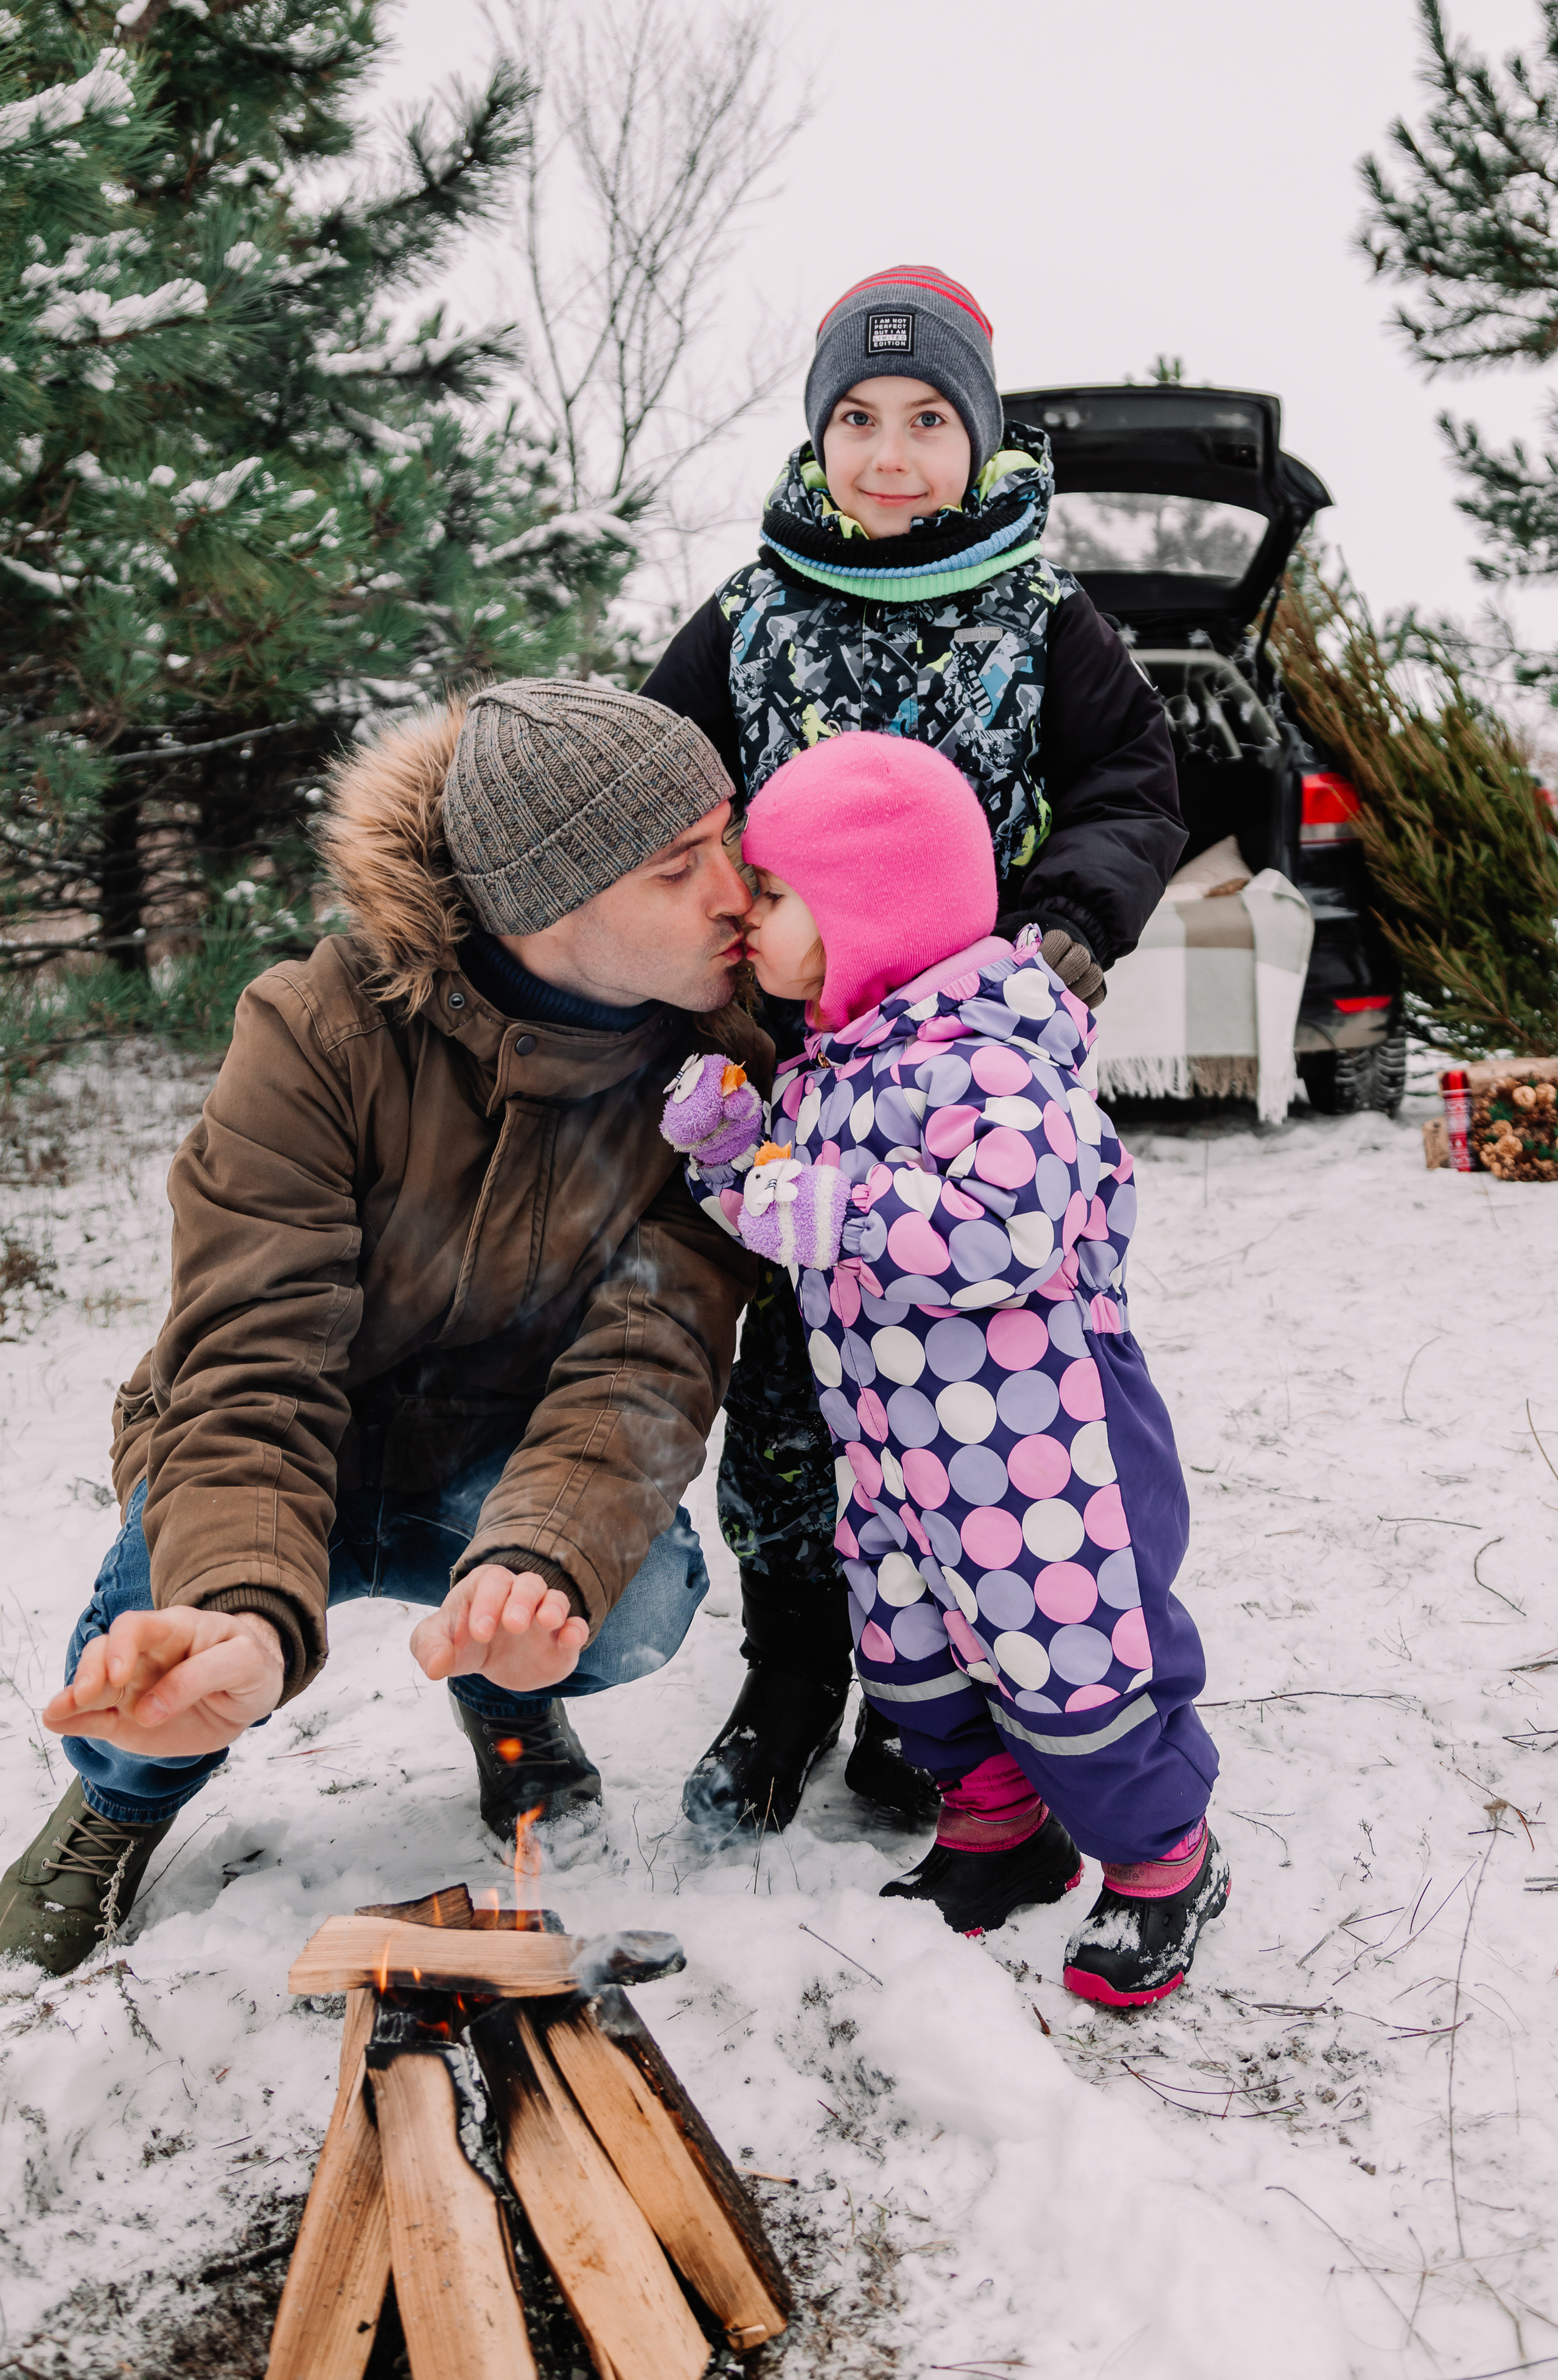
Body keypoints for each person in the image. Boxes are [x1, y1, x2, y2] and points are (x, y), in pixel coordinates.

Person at [1, 682, 767, 1978]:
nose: (737, 891)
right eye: (678, 865)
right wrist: (240, 1611)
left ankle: (504, 1690)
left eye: (729, 838)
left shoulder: (712, 1079)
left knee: (629, 1603)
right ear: (541, 903)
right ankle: (123, 1801)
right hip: (289, 1448)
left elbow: (651, 1358)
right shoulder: (314, 1032)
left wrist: (539, 1558)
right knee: (165, 1658)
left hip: (497, 1464)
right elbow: (251, 1359)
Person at [643, 265, 1184, 1838]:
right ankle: (796, 1674)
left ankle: (940, 1689)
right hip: (797, 1060)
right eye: (859, 419)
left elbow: (1133, 786)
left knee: (990, 1378)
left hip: (967, 1062)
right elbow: (656, 788)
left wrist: (1072, 928)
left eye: (929, 420)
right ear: (820, 438)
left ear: (980, 436)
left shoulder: (1042, 613)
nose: (891, 453)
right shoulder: (749, 613)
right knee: (801, 1388)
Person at [662, 732, 1225, 2007]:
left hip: (1043, 1455)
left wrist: (829, 1207)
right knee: (915, 1655)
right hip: (899, 1452)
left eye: (776, 891)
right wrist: (732, 1151)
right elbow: (788, 1206)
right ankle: (995, 1829)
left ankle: (1159, 1860)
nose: (747, 915)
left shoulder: (992, 1057)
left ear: (869, 911)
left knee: (1071, 1662)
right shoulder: (833, 1063)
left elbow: (1007, 1228)